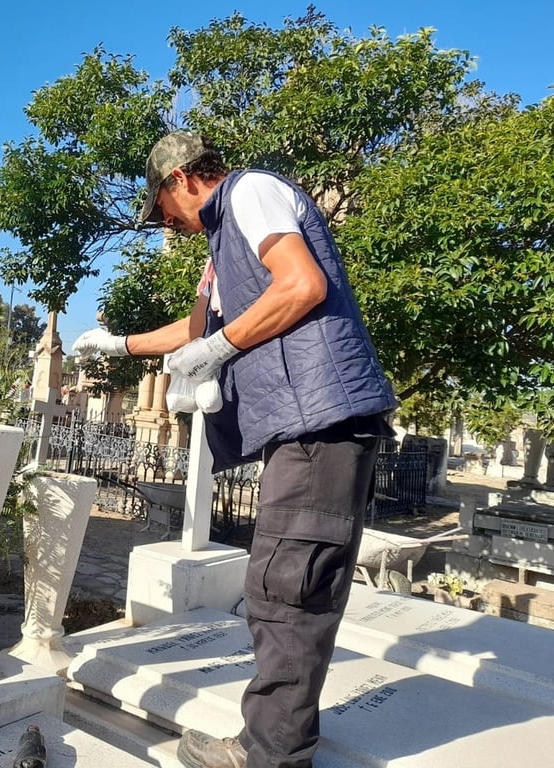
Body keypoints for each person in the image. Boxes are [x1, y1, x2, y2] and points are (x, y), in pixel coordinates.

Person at [72, 131, 398, 768]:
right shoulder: (222, 248)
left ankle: (269, 755)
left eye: (163, 207)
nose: (167, 222)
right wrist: (120, 346)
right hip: (303, 426)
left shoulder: (253, 192)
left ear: (182, 180)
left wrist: (220, 351)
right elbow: (198, 330)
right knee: (284, 582)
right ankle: (272, 745)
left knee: (288, 587)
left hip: (319, 421)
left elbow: (300, 285)